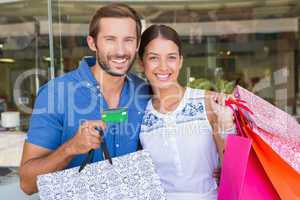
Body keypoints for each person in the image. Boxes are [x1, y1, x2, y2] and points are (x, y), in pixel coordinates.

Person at [19, 3, 150, 195]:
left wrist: (206, 99)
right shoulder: (56, 94)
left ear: (137, 44)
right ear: (92, 42)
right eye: (110, 39)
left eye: (128, 40)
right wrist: (70, 148)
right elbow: (27, 184)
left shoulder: (145, 92)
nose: (120, 51)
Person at [138, 24, 235, 199]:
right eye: (153, 58)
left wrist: (227, 126)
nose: (163, 67)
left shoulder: (208, 103)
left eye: (171, 57)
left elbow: (233, 171)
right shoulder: (140, 115)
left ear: (181, 61)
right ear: (141, 62)